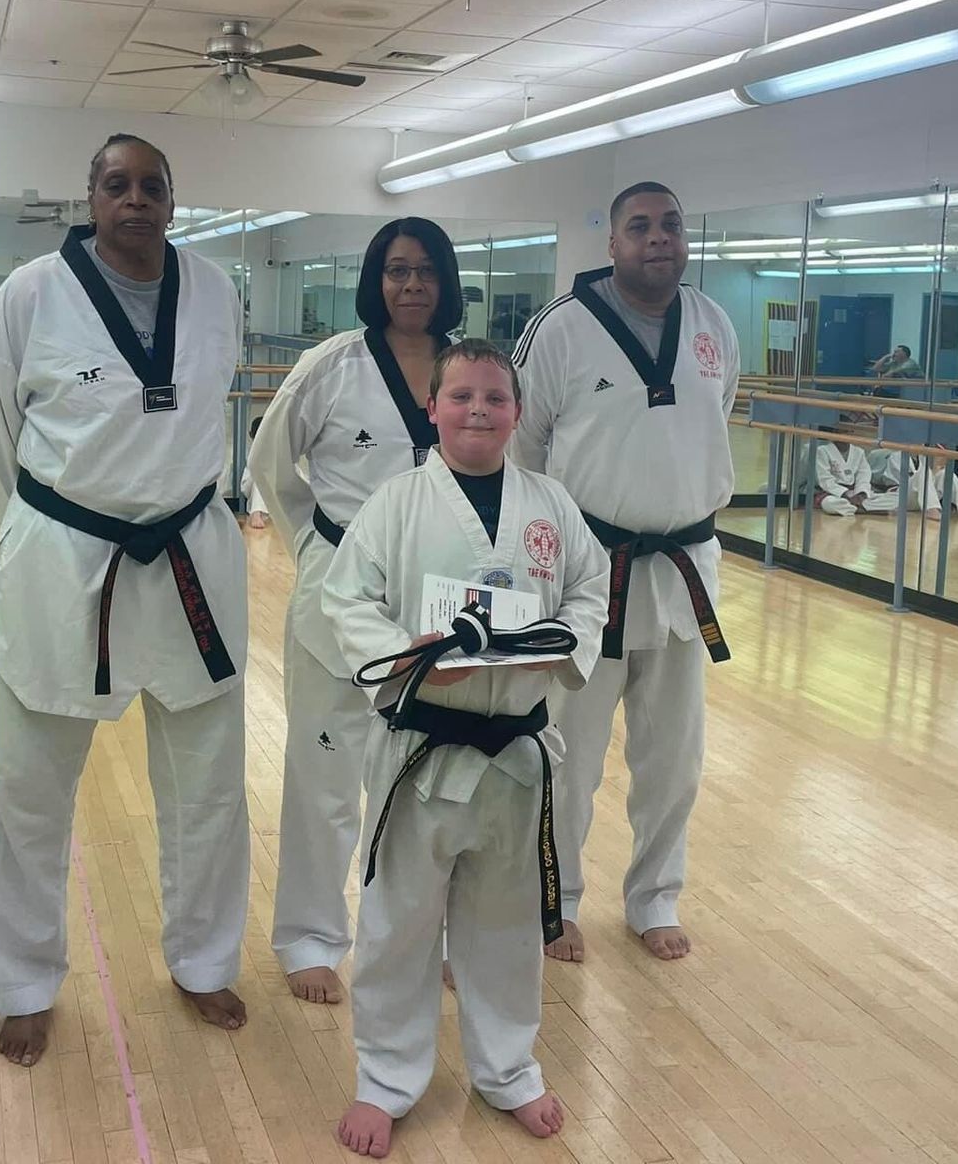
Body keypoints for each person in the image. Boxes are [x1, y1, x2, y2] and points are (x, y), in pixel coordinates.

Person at [0, 133, 250, 1068]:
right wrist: (38, 531)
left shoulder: (215, 292)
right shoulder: (31, 293)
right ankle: (22, 981)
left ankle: (205, 962)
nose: (136, 200)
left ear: (175, 199)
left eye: (153, 187)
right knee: (32, 790)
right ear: (88, 195)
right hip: (66, 563)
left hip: (189, 560)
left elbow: (213, 416)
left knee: (207, 784)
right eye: (117, 185)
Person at [321, 339, 609, 1158]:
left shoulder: (551, 503)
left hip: (517, 752)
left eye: (495, 397)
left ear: (518, 411)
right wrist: (406, 661)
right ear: (432, 409)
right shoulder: (397, 502)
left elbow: (590, 588)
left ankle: (508, 1069)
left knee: (508, 926)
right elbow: (348, 598)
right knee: (398, 923)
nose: (478, 409)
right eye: (461, 397)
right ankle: (385, 1077)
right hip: (423, 746)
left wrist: (566, 642)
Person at [510, 182, 737, 966]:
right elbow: (523, 449)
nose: (658, 239)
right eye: (639, 227)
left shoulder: (713, 326)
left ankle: (654, 896)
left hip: (682, 568)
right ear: (610, 243)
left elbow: (710, 424)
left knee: (673, 754)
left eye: (671, 224)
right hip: (586, 573)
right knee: (568, 751)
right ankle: (557, 897)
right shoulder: (561, 331)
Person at [249, 216, 464, 1005]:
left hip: (437, 602)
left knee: (431, 780)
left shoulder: (464, 369)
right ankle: (310, 936)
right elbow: (272, 461)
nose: (412, 286)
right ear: (374, 280)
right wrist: (312, 544)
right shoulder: (331, 366)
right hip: (340, 591)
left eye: (426, 271)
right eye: (396, 271)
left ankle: (423, 935)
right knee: (326, 773)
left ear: (446, 281)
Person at [814, 431, 896, 516]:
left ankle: (856, 507)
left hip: (855, 492)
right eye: (841, 432)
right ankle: (860, 508)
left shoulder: (859, 452)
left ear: (852, 433)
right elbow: (825, 480)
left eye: (847, 432)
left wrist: (860, 494)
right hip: (834, 493)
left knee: (894, 499)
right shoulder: (823, 451)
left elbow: (864, 477)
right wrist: (845, 494)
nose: (844, 435)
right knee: (829, 503)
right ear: (834, 433)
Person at [240, 415, 270, 528]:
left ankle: (259, 513)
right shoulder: (250, 449)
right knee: (259, 476)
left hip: (271, 489)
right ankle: (256, 513)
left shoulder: (276, 447)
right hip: (252, 484)